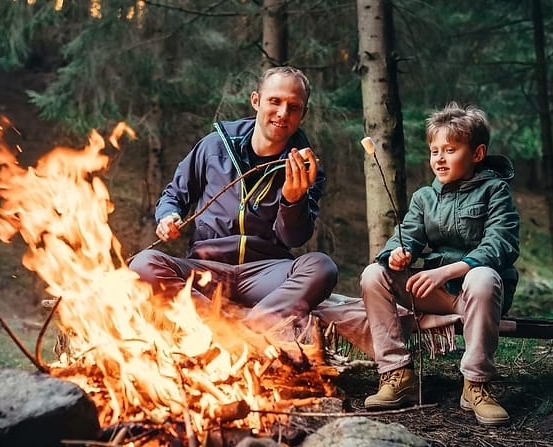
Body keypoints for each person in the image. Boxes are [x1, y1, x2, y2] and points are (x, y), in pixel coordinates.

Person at [129, 66, 337, 342]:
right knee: (143, 264)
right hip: (206, 271)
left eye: (293, 107)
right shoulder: (214, 147)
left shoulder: (306, 166)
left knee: (322, 267)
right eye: (274, 101)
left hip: (266, 273)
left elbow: (294, 238)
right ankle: (228, 328)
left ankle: (246, 328)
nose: (282, 113)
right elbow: (174, 194)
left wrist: (292, 199)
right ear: (256, 100)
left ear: (303, 114)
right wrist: (168, 216)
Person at [360, 102, 519, 426]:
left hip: (477, 295)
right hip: (434, 291)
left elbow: (502, 242)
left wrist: (451, 269)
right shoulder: (424, 198)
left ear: (477, 154)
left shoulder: (495, 190)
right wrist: (397, 254)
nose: (440, 158)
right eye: (435, 151)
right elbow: (405, 237)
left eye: (450, 149)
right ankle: (397, 374)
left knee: (483, 277)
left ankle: (476, 385)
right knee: (374, 274)